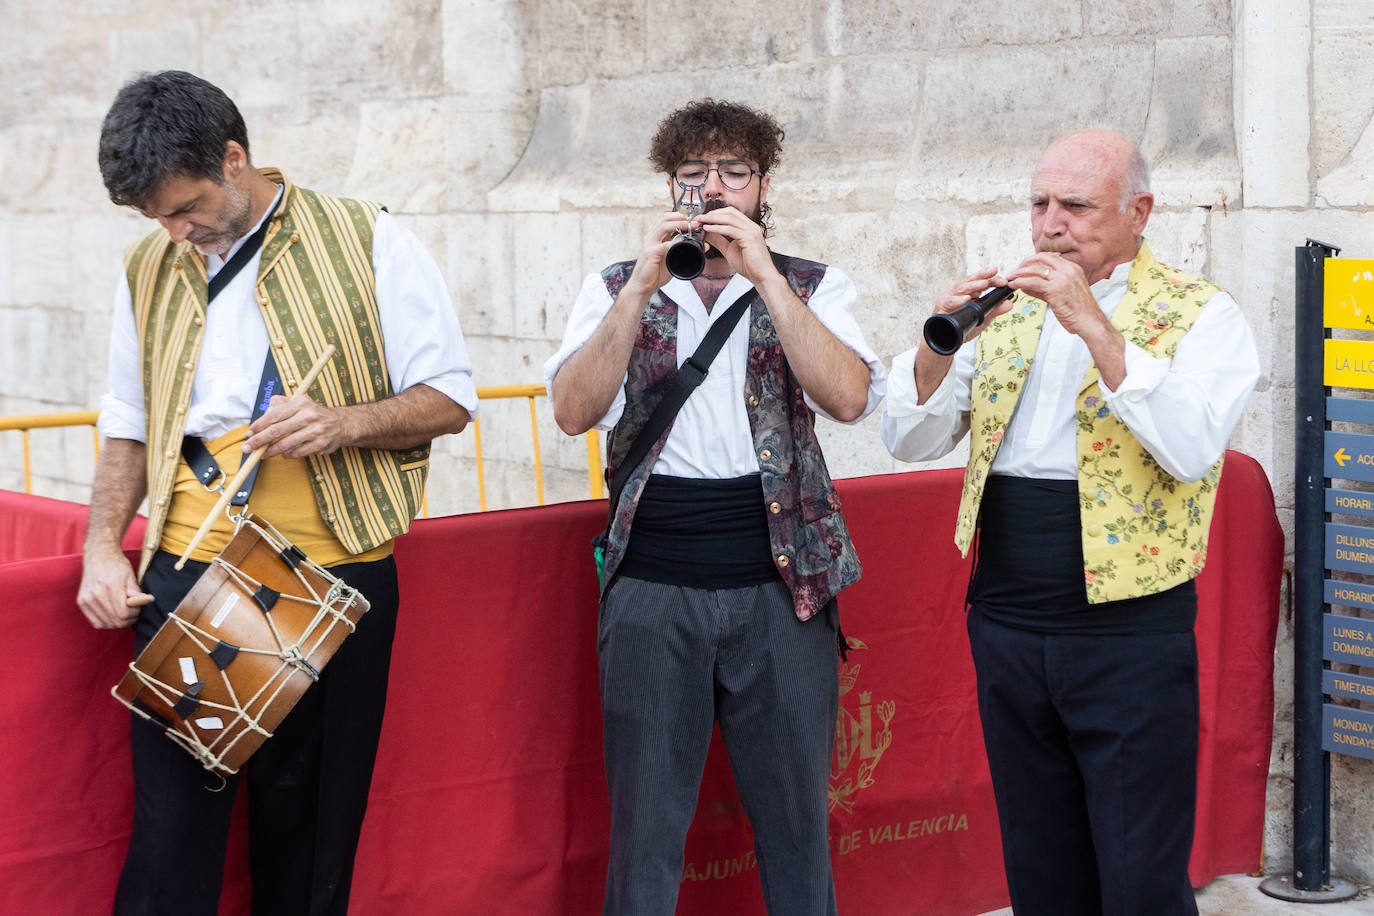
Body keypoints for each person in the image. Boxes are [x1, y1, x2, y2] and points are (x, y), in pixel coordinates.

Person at [76, 70, 477, 915]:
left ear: (233, 157)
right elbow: (127, 420)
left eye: (185, 207)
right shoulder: (150, 264)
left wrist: (339, 423)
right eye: (157, 218)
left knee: (310, 843)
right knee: (171, 845)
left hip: (328, 578)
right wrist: (98, 547)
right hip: (190, 573)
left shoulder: (367, 238)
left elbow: (448, 399)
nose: (176, 231)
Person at [880, 129, 1259, 915]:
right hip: (1010, 616)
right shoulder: (1006, 311)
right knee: (1040, 860)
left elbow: (1191, 448)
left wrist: (1095, 327)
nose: (1051, 224)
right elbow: (909, 438)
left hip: (1129, 632)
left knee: (1139, 871)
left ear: (1138, 212)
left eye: (1076, 206)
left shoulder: (1204, 314)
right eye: (1040, 203)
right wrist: (936, 346)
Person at [546, 98, 886, 915]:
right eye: (695, 174)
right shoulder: (614, 287)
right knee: (646, 829)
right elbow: (572, 411)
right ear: (671, 185)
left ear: (764, 184)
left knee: (797, 824)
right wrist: (639, 288)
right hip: (654, 585)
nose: (714, 188)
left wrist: (764, 272)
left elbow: (846, 397)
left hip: (785, 587)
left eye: (734, 171)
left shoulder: (811, 283)